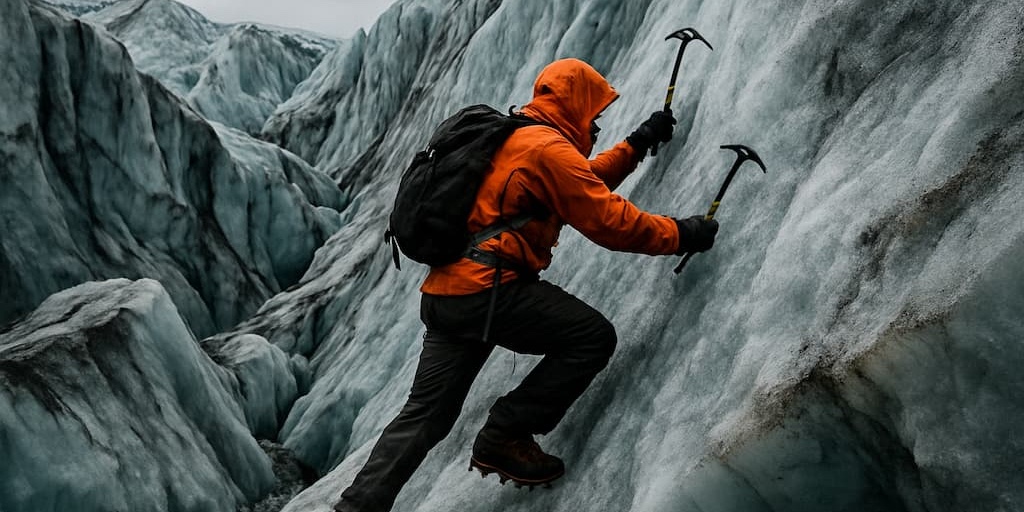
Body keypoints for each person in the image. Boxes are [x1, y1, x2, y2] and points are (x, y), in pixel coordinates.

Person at [333, 58, 719, 512]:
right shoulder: (547, 150)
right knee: (590, 338)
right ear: (575, 106)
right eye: (593, 115)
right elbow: (608, 222)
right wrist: (682, 234)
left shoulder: (516, 138)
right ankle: (506, 432)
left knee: (423, 416)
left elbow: (580, 185)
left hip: (447, 296)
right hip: (489, 292)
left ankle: (357, 508)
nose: (595, 125)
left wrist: (636, 144)